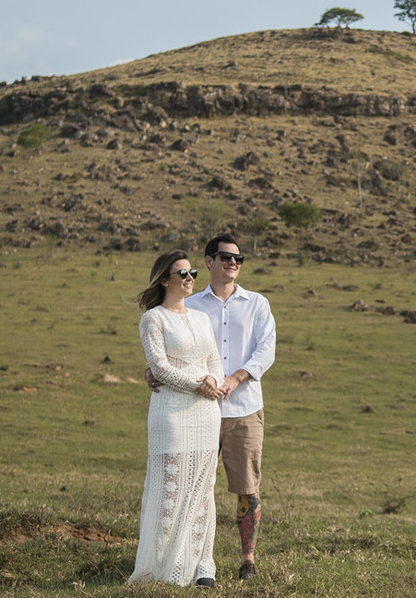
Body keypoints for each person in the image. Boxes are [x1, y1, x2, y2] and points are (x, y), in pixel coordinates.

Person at [148, 233, 277, 581]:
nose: (233, 262)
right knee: (193, 485)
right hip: (194, 409)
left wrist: (234, 379)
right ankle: (189, 559)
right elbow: (173, 341)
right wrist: (151, 369)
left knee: (247, 486)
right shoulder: (191, 302)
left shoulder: (257, 304)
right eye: (225, 257)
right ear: (209, 261)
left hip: (244, 408)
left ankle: (247, 557)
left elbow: (266, 351)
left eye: (238, 258)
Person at [129, 251, 224, 588]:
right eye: (182, 273)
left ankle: (203, 567)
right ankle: (162, 565)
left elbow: (215, 360)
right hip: (171, 412)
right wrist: (199, 385)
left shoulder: (201, 319)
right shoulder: (153, 319)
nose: (189, 278)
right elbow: (159, 368)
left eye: (192, 272)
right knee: (171, 487)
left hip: (207, 413)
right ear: (165, 279)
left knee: (204, 488)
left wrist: (214, 380)